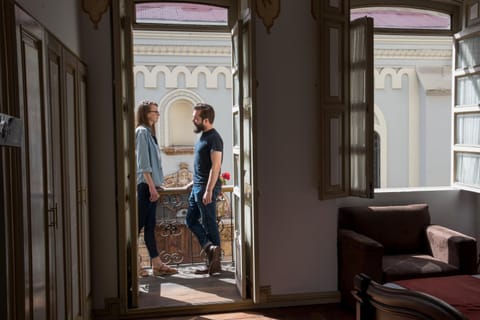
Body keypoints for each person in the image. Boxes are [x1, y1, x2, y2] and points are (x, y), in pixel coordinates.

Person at [135, 99, 177, 276]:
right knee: (136, 227)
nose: (158, 114)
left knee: (150, 226)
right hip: (145, 187)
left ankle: (157, 264)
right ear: (146, 113)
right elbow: (143, 164)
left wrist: (158, 184)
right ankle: (134, 265)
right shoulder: (142, 132)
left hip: (152, 186)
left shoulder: (150, 133)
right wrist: (152, 187)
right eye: (155, 111)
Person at [186, 103, 223, 275]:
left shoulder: (214, 138)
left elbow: (215, 167)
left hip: (205, 188)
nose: (193, 120)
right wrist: (194, 183)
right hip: (197, 186)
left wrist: (209, 190)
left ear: (206, 120)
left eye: (196, 118)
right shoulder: (203, 136)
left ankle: (215, 264)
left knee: (209, 224)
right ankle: (210, 249)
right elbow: (202, 165)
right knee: (190, 220)